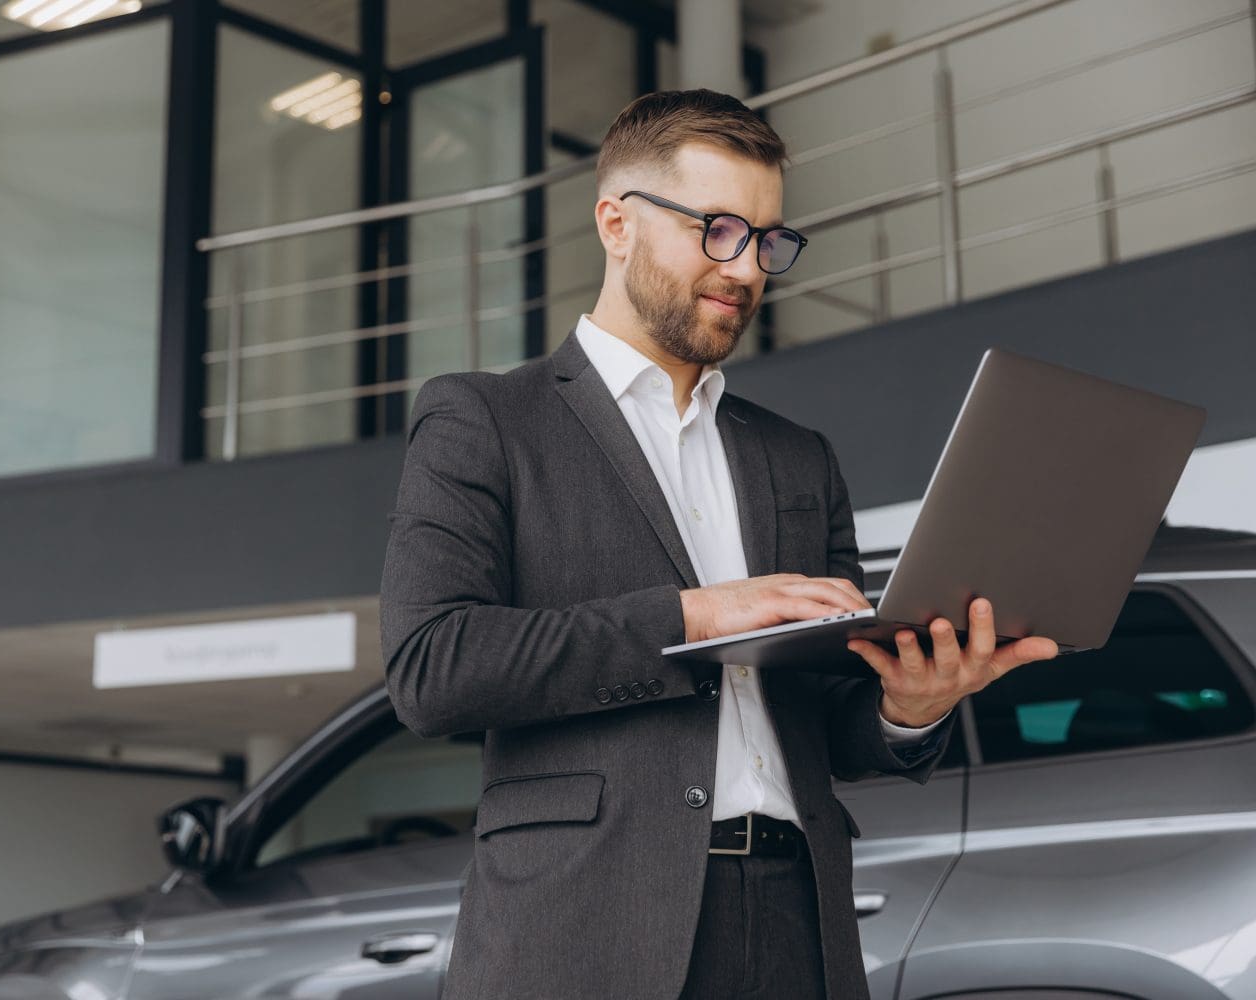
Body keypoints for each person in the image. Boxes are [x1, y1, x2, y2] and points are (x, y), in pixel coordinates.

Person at [380, 89, 1058, 1000]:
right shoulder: (487, 420)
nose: (746, 270)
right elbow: (434, 667)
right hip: (587, 927)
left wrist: (911, 706)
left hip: (796, 922)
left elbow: (832, 724)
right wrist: (697, 614)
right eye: (718, 229)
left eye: (768, 241)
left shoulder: (797, 457)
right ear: (616, 225)